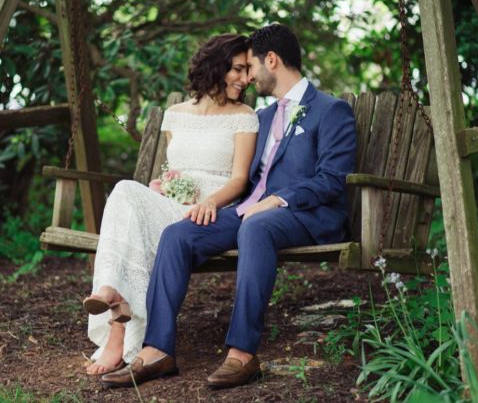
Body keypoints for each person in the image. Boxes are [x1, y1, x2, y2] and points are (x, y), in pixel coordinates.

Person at [101, 24, 356, 388]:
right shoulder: (261, 117)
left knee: (257, 226)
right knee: (177, 235)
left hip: (307, 215)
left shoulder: (331, 110)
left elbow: (333, 177)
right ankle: (158, 349)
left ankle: (243, 354)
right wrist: (177, 187)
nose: (248, 77)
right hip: (247, 212)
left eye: (250, 67)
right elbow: (238, 176)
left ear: (271, 61)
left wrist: (276, 200)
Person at [83, 34, 259, 375]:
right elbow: (172, 169)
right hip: (172, 205)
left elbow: (239, 180)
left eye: (248, 71)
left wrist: (209, 200)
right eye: (238, 69)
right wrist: (164, 185)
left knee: (130, 208)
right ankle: (111, 298)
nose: (246, 78)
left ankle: (116, 320)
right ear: (216, 67)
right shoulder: (175, 115)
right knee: (124, 190)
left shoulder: (244, 116)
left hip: (209, 213)